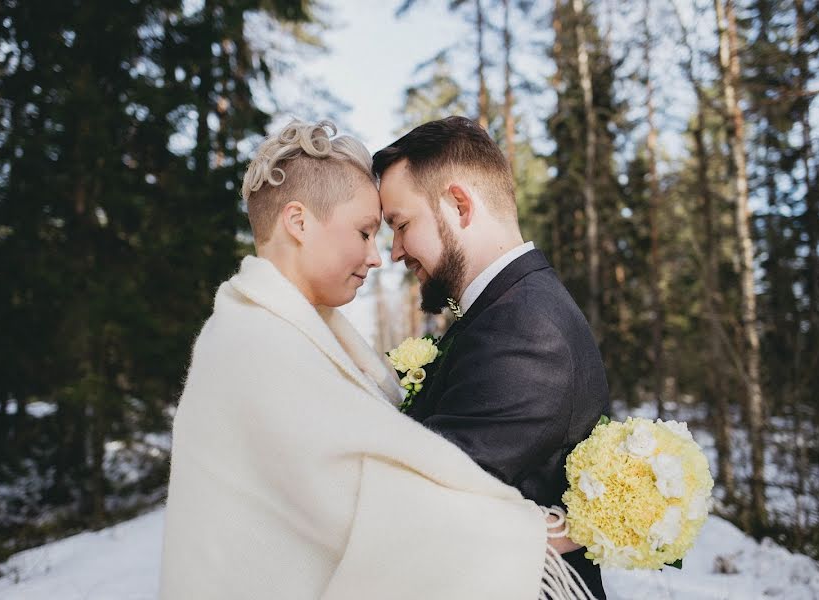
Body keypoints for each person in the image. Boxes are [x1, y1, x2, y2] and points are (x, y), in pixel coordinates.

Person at [158, 119, 594, 599]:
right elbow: (350, 508)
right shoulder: (253, 345)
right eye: (367, 232)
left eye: (394, 227)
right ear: (298, 222)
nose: (381, 255)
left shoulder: (525, 326)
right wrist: (547, 533)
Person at [374, 115, 610, 599]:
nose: (395, 251)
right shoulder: (504, 311)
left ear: (459, 203)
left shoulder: (527, 330)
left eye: (401, 224)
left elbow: (426, 501)